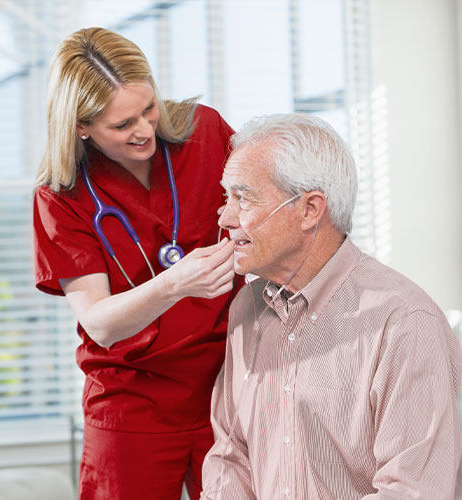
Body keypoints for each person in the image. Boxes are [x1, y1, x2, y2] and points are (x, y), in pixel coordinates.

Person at [200, 113, 462, 499]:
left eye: (243, 198)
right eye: (227, 197)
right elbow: (230, 456)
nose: (225, 216)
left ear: (309, 209)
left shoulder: (405, 322)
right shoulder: (247, 308)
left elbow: (412, 492)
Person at [33, 27, 242, 500]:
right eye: (122, 124)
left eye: (149, 109)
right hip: (133, 402)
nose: (145, 130)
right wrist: (174, 285)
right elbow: (101, 324)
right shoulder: (60, 197)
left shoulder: (205, 132)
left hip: (230, 388)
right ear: (80, 127)